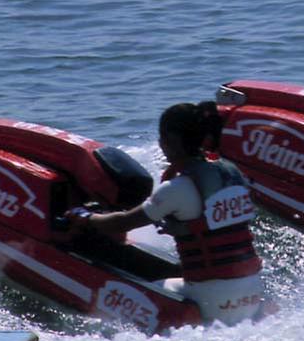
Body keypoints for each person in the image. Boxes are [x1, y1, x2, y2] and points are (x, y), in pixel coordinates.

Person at [69, 101, 264, 326]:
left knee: (135, 294)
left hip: (212, 297)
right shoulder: (230, 173)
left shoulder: (178, 188)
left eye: (162, 139)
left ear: (171, 141)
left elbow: (121, 223)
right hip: (251, 291)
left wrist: (84, 216)